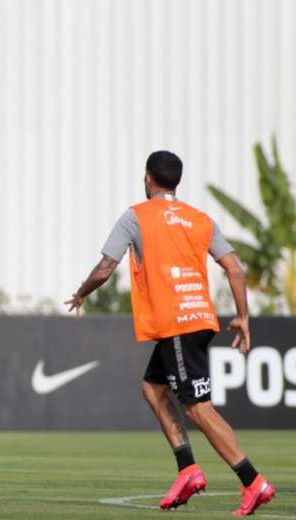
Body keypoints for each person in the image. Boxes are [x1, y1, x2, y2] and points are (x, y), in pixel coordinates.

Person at [65, 151, 275, 516]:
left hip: (177, 323)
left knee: (197, 408)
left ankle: (253, 481)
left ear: (148, 178)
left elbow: (105, 268)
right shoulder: (200, 219)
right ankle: (188, 469)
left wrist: (82, 292)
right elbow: (235, 270)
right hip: (197, 318)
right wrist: (242, 317)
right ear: (176, 181)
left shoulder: (136, 216)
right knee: (153, 388)